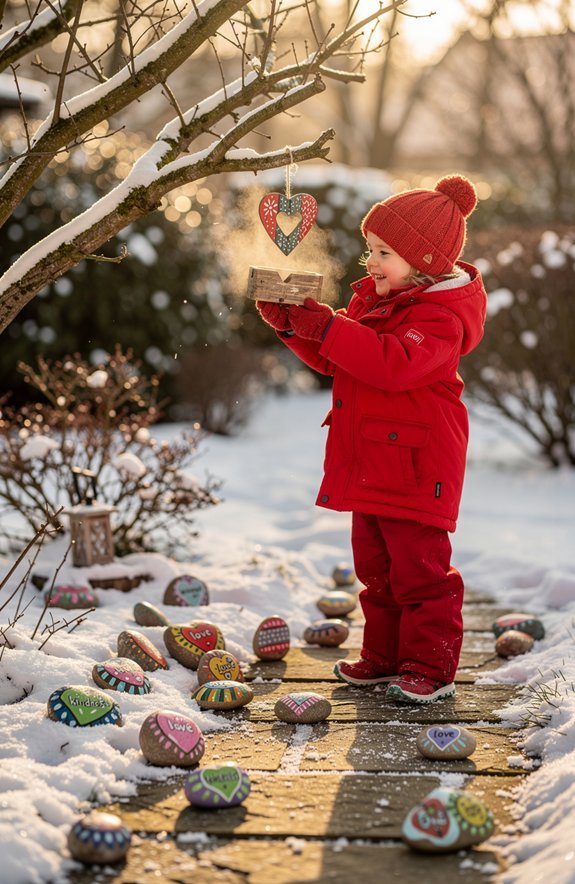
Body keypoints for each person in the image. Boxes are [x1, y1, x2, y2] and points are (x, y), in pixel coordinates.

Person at [255, 175, 487, 705]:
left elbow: (392, 364)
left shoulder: (439, 317)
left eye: (384, 252)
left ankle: (429, 666)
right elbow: (344, 359)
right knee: (377, 571)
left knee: (421, 573)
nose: (371, 262)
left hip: (417, 465)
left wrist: (328, 326)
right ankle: (384, 658)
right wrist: (295, 327)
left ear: (423, 260)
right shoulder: (379, 302)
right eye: (370, 250)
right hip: (376, 460)